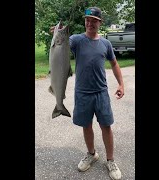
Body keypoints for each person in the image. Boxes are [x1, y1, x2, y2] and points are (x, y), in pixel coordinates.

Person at [50, 7, 124, 180]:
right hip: (82, 93)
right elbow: (61, 45)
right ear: (85, 21)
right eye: (87, 20)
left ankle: (110, 160)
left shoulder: (106, 43)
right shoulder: (76, 40)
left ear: (99, 23)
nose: (90, 23)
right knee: (86, 125)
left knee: (106, 126)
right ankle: (91, 154)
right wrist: (55, 32)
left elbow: (114, 64)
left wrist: (121, 84)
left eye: (94, 20)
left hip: (101, 92)